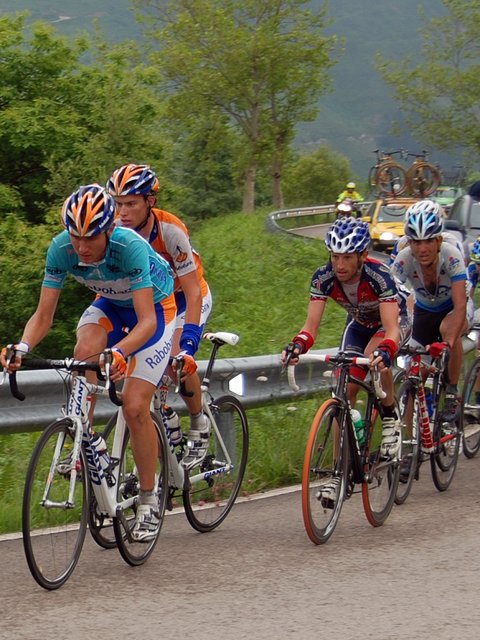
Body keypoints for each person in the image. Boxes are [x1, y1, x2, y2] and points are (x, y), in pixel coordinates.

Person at [0, 184, 176, 542]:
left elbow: (146, 323)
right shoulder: (61, 248)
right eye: (75, 235)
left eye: (90, 237)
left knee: (135, 405)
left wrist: (120, 353)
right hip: (110, 304)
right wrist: (22, 345)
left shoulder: (130, 248)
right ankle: (83, 435)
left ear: (109, 229)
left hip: (155, 310)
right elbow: (43, 316)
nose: (81, 246)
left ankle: (148, 499)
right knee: (84, 352)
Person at [281, 217, 404, 504]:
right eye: (335, 256)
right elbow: (311, 328)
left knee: (374, 357)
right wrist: (298, 344)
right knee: (342, 394)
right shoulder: (323, 278)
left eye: (347, 257)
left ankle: (390, 417)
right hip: (360, 323)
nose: (340, 265)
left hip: (391, 323)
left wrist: (386, 349)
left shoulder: (379, 277)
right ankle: (338, 474)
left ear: (362, 256)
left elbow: (392, 328)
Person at [106, 163, 212, 469]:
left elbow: (192, 292)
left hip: (185, 296)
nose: (122, 212)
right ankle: (164, 411)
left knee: (177, 358)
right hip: (148, 303)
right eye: (117, 204)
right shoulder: (112, 230)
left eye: (130, 204)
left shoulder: (170, 230)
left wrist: (190, 341)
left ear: (150, 201)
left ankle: (199, 419)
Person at [391, 199, 468, 421]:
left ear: (438, 240)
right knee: (415, 376)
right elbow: (390, 299)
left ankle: (452, 392)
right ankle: (408, 445)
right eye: (416, 242)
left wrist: (449, 342)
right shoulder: (404, 258)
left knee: (447, 329)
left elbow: (461, 303)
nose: (422, 248)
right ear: (409, 242)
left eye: (428, 241)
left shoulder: (451, 255)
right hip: (425, 311)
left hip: (454, 307)